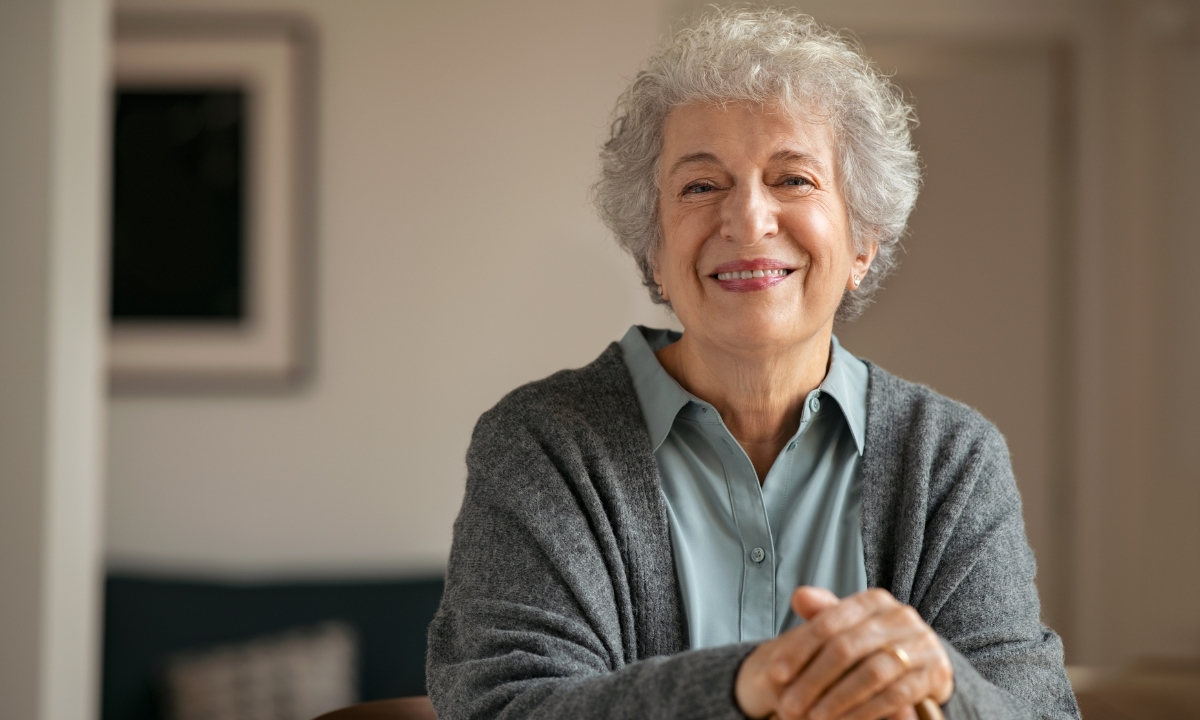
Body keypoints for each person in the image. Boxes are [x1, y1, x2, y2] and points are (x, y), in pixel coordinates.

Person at [426, 8, 1080, 720]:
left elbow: (1038, 712)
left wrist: (943, 686)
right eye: (701, 187)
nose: (748, 220)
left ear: (863, 243)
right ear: (654, 251)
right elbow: (501, 708)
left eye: (793, 180)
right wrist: (745, 684)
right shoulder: (540, 445)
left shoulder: (950, 458)